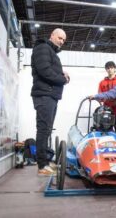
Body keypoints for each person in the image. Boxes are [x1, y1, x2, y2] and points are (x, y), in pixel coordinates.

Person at [31, 28, 70, 176]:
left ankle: (46, 162)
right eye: (60, 38)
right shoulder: (42, 48)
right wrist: (62, 79)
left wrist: (62, 73)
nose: (61, 41)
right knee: (43, 130)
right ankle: (42, 166)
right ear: (52, 35)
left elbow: (49, 69)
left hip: (50, 95)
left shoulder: (51, 51)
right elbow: (44, 70)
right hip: (44, 95)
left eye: (63, 40)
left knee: (47, 130)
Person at [98, 61, 116, 134]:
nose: (110, 70)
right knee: (106, 132)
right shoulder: (102, 82)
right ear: (106, 70)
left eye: (111, 68)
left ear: (115, 69)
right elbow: (100, 96)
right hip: (106, 112)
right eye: (108, 68)